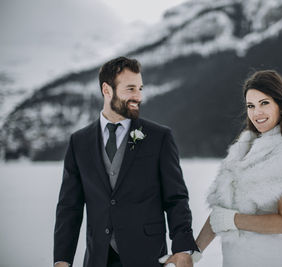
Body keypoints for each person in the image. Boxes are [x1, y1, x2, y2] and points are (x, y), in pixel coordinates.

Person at [54, 56, 199, 267]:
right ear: (107, 90)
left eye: (140, 88)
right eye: (131, 88)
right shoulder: (79, 142)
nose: (138, 96)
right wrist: (62, 260)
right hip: (98, 258)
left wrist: (183, 247)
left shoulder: (159, 137)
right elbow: (69, 207)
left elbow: (176, 199)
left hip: (147, 257)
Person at [195, 70, 282, 266]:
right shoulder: (243, 148)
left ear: (281, 105)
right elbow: (221, 213)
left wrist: (234, 221)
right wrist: (193, 254)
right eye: (251, 106)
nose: (256, 113)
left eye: (264, 103)